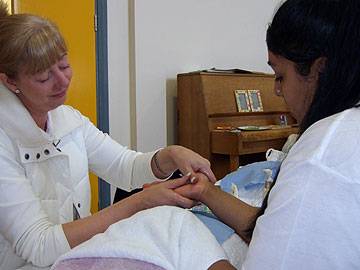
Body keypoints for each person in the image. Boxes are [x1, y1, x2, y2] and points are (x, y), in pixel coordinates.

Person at [0, 2, 218, 269]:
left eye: (64, 65)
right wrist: (140, 202)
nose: (62, 81)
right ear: (10, 82)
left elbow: (124, 167)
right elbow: (40, 244)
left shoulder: (68, 120)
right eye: (44, 77)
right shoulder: (4, 139)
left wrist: (170, 155)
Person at [177, 0, 360, 269]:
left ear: (319, 70)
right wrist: (205, 191)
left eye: (279, 75)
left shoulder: (320, 156)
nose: (276, 90)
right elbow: (271, 226)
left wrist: (192, 248)